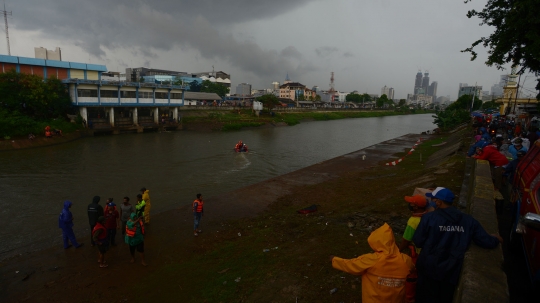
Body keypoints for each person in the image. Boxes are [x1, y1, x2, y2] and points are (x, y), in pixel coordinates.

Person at [412, 188, 502, 303]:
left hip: (429, 268)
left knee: (425, 297)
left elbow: (418, 241)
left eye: (434, 199)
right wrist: (495, 239)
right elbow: (485, 241)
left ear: (439, 202)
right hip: (452, 270)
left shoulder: (429, 218)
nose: (432, 201)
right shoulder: (468, 220)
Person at [330, 223, 414, 303]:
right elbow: (413, 271)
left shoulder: (371, 260)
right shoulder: (406, 261)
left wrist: (334, 260)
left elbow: (351, 265)